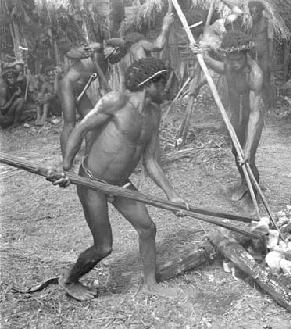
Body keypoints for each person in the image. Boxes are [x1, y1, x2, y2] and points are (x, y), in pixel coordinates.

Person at [50, 57, 187, 301]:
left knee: (147, 228)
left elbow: (150, 161)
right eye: (162, 84)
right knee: (104, 246)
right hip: (92, 181)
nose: (165, 90)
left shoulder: (154, 114)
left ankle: (151, 284)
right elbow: (80, 129)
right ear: (150, 84)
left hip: (120, 184)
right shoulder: (116, 102)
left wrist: (173, 196)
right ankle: (71, 280)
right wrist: (66, 168)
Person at [192, 30, 264, 207]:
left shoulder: (255, 75)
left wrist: (247, 149)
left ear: (246, 55)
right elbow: (212, 64)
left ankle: (254, 190)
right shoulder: (230, 64)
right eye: (231, 60)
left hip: (252, 118)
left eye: (238, 60)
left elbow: (255, 114)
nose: (235, 64)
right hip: (236, 116)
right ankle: (244, 182)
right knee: (235, 151)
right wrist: (199, 52)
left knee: (248, 156)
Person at [58, 42, 110, 155]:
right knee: (69, 124)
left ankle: (89, 155)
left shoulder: (104, 63)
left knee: (90, 118)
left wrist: (107, 96)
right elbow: (71, 53)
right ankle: (66, 159)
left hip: (81, 91)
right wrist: (85, 53)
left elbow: (103, 85)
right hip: (68, 86)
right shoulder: (84, 51)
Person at [104, 12, 174, 91]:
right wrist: (166, 26)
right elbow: (159, 45)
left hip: (142, 90)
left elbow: (123, 87)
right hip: (148, 89)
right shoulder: (138, 46)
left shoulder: (124, 60)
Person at [248, 1, 273, 108]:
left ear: (261, 11)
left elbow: (270, 41)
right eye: (252, 12)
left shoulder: (268, 22)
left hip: (264, 55)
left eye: (256, 12)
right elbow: (251, 38)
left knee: (266, 79)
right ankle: (257, 104)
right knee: (255, 79)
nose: (253, 15)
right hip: (254, 55)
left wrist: (270, 59)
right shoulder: (252, 23)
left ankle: (269, 104)